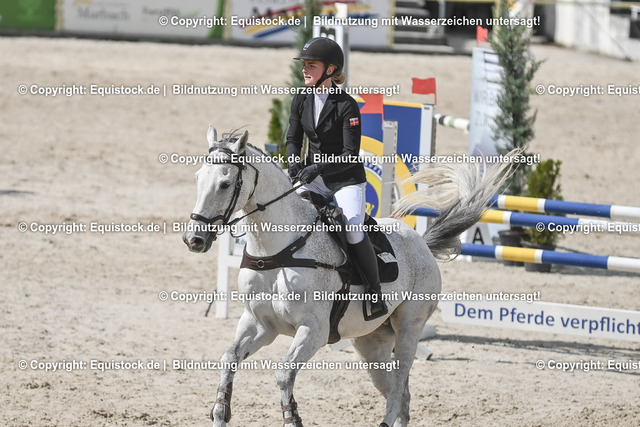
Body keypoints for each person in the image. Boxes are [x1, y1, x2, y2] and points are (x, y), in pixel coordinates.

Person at [286, 37, 387, 320]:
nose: (305, 70)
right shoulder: (301, 99)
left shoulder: (346, 105)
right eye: (305, 65)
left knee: (353, 230)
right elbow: (292, 139)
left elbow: (349, 154)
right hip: (312, 177)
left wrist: (317, 168)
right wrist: (293, 162)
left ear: (330, 70)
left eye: (312, 65)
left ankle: (374, 291)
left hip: (345, 180)